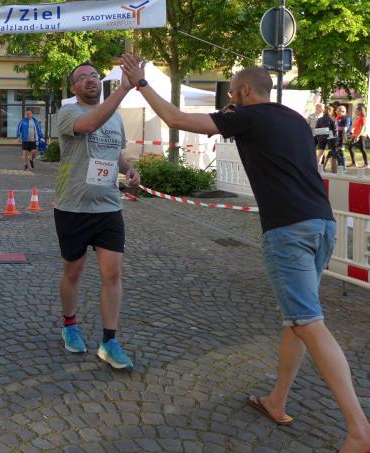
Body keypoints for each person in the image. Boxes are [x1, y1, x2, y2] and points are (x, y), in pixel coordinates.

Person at [120, 54, 370, 453]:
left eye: (232, 93)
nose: (228, 101)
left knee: (308, 322)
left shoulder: (247, 116)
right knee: (297, 319)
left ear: (246, 91)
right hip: (322, 224)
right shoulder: (294, 119)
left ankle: (359, 430)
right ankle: (277, 400)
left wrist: (142, 84)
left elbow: (177, 119)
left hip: (288, 229)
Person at [54, 61, 140, 370]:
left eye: (94, 75)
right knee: (73, 272)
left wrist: (129, 168)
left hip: (109, 206)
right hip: (73, 206)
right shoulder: (67, 113)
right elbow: (90, 125)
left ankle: (109, 341)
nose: (90, 80)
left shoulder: (115, 116)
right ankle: (69, 325)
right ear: (73, 88)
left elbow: (115, 152)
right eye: (82, 78)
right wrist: (124, 89)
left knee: (112, 274)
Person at [315, 105, 339, 171]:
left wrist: (318, 138)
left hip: (321, 137)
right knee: (332, 153)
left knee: (320, 153)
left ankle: (317, 168)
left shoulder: (319, 119)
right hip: (330, 137)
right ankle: (333, 169)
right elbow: (334, 130)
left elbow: (316, 129)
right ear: (331, 111)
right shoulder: (332, 120)